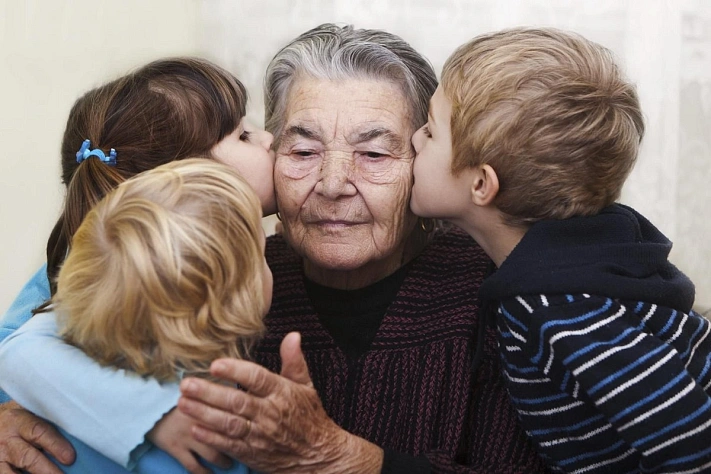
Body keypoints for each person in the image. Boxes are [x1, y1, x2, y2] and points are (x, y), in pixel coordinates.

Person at [0, 24, 549, 473]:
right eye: (303, 149)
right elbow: (31, 336)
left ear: (425, 163)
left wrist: (344, 458)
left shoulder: (498, 291)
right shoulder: (198, 274)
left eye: (376, 156)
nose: (334, 184)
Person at [410, 27, 711, 473]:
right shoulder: (579, 263)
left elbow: (693, 443)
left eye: (431, 132)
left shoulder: (561, 310)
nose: (414, 139)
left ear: (481, 183)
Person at [0, 57, 276, 474]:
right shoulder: (95, 268)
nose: (269, 138)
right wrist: (154, 415)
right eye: (243, 134)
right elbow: (14, 352)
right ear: (185, 177)